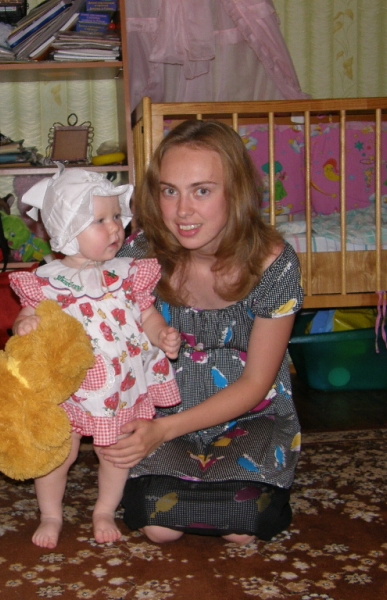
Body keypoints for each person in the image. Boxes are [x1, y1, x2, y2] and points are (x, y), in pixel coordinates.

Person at [99, 119, 304, 545]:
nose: (182, 211)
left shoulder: (274, 264)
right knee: (158, 523)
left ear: (236, 192)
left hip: (252, 414)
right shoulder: (139, 255)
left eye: (202, 191)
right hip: (162, 410)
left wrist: (162, 433)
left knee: (240, 523)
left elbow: (256, 383)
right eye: (169, 191)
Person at [9, 166, 182, 549]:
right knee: (57, 452)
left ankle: (104, 509)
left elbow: (147, 316)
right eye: (100, 220)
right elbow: (26, 315)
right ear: (68, 230)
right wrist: (25, 324)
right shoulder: (48, 282)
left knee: (115, 451)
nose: (115, 228)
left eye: (117, 217)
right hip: (66, 388)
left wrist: (162, 335)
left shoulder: (127, 274)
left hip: (116, 387)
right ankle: (51, 513)